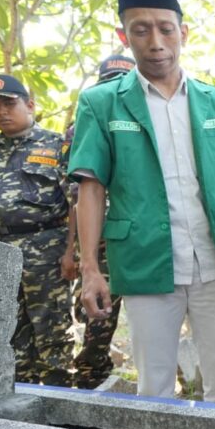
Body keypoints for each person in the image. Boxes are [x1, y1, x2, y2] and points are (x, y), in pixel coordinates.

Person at [69, 0, 215, 403]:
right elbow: (91, 187)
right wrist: (89, 268)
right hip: (145, 262)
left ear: (183, 33)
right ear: (124, 35)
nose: (155, 40)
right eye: (140, 29)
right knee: (154, 388)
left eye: (165, 28)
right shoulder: (101, 103)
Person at [0, 74, 77, 386]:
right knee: (9, 335)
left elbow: (76, 203)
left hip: (48, 250)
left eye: (9, 104)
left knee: (53, 331)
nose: (1, 112)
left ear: (30, 105)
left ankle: (59, 409)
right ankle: (21, 406)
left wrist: (73, 254)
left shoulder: (58, 145)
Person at [67, 54, 135, 389]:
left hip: (141, 239)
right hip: (101, 244)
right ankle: (92, 379)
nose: (115, 88)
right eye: (109, 80)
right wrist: (79, 256)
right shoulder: (83, 124)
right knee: (98, 319)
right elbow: (76, 197)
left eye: (122, 80)